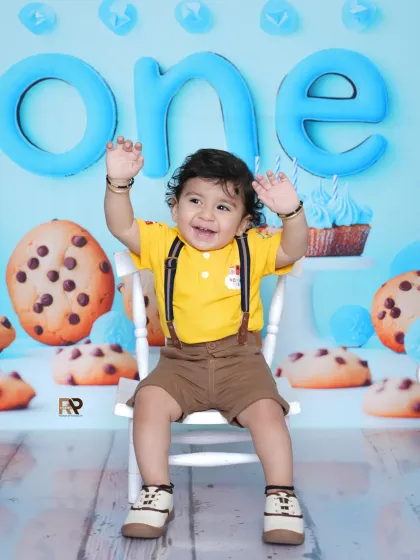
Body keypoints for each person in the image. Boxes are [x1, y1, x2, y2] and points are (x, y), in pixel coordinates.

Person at [104, 136, 309, 545]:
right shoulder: (164, 242)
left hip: (242, 362)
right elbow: (121, 225)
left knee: (269, 412)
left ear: (245, 221)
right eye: (194, 201)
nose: (206, 215)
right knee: (149, 401)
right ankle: (156, 490)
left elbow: (295, 247)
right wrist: (118, 183)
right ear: (175, 207)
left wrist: (292, 211)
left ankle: (281, 495)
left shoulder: (253, 247)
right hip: (180, 362)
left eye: (223, 207)